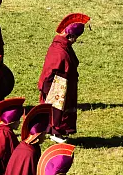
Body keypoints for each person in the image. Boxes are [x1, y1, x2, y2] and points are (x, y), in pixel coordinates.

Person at [38, 14, 90, 142]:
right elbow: (57, 65)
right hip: (58, 85)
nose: (75, 40)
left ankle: (55, 132)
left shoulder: (62, 46)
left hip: (63, 83)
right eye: (75, 37)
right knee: (57, 108)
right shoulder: (59, 49)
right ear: (69, 35)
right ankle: (56, 132)